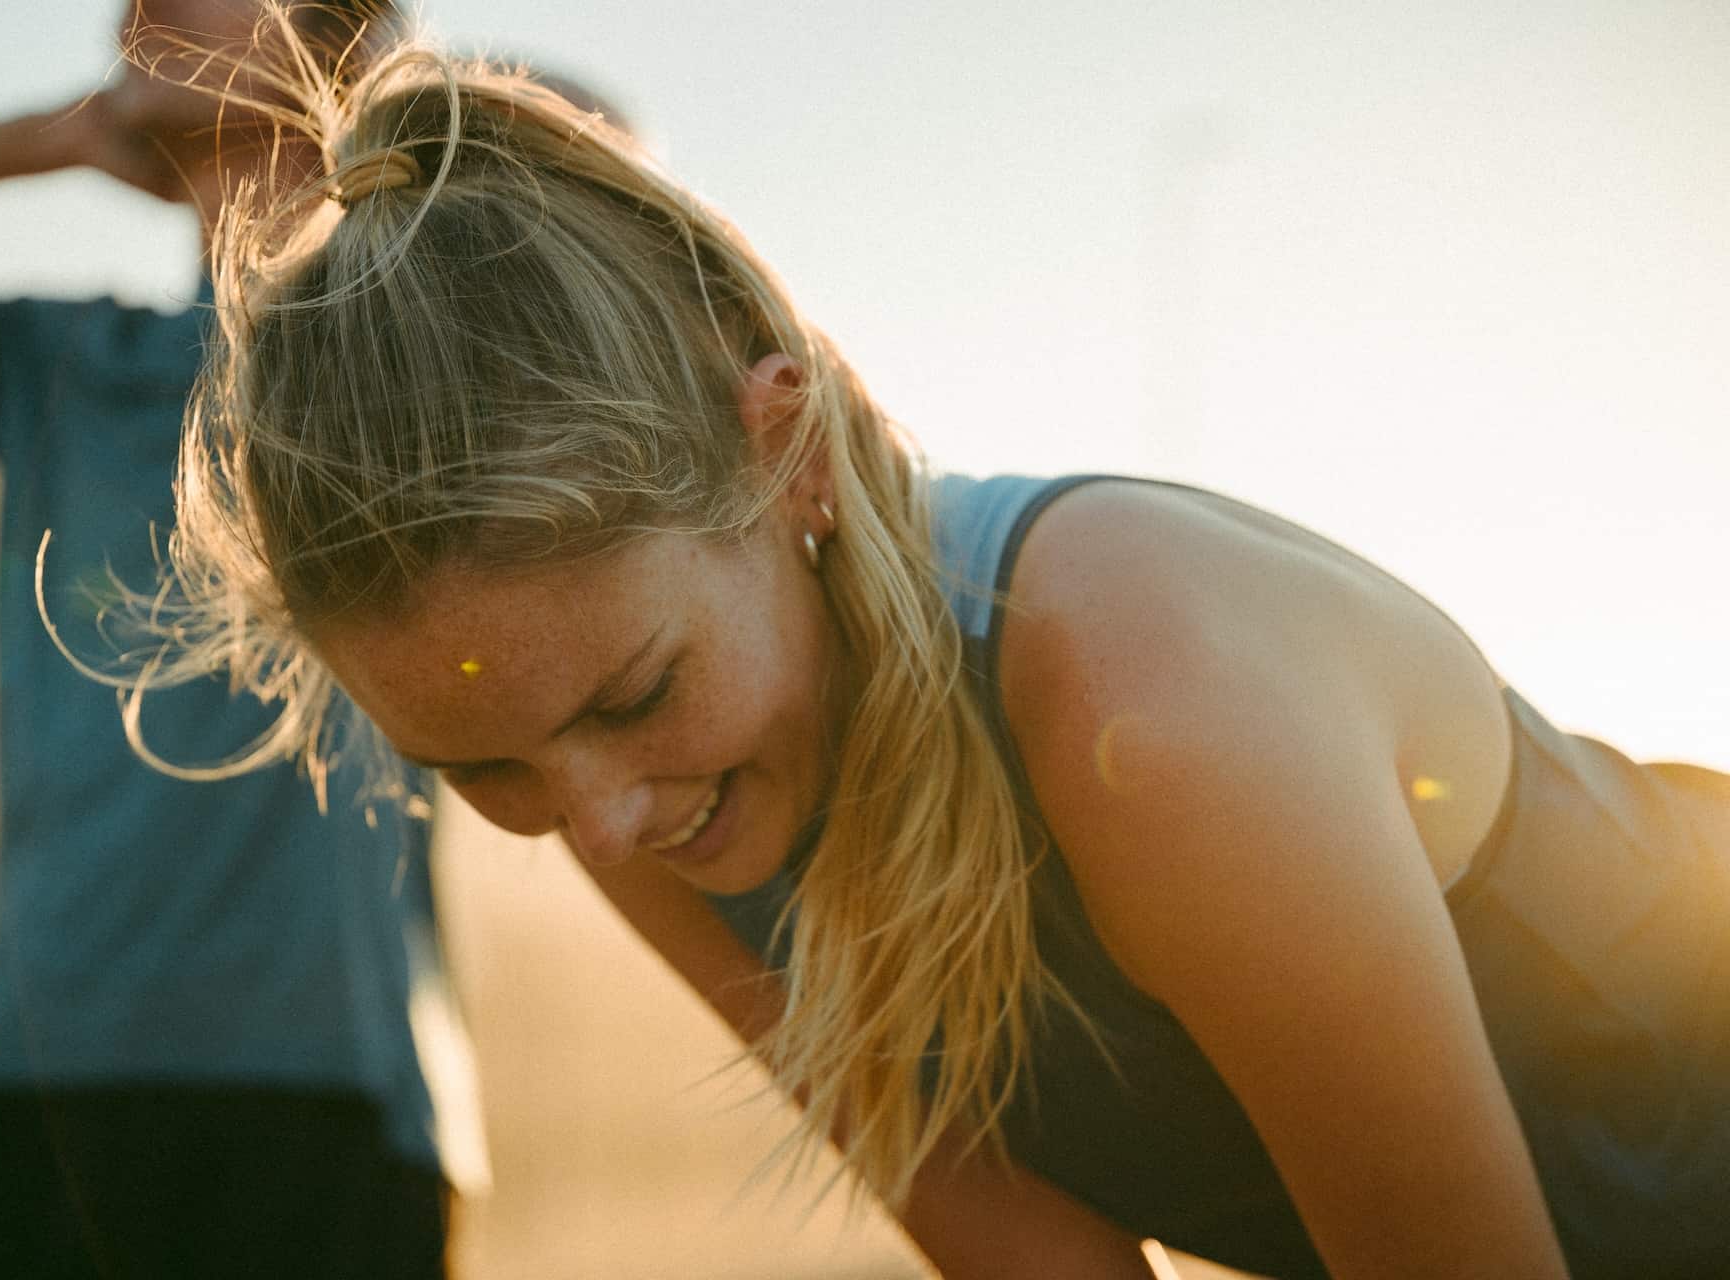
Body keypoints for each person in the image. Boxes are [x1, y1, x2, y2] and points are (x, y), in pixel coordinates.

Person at [123, 27, 1730, 1280]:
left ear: (789, 450)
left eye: (634, 696)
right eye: (479, 769)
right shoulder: (643, 794)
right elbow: (1033, 1262)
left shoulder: (1144, 703)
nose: (596, 824)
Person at [0, 4, 461, 1277]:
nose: (138, 9)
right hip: (57, 1081)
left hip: (333, 1094)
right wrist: (53, 135)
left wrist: (369, 113)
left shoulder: (423, 354)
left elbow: (605, 161)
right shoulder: (53, 362)